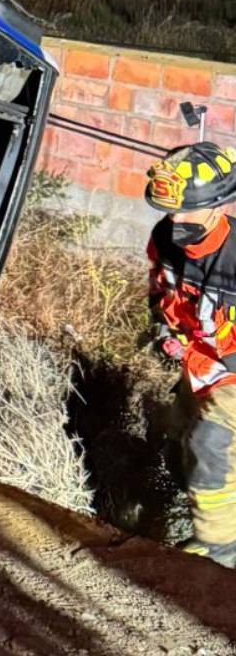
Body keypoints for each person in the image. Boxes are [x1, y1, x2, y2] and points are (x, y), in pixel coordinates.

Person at [144, 141, 236, 566]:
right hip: (198, 364)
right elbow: (160, 290)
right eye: (170, 210)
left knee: (209, 442)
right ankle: (201, 506)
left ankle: (221, 549)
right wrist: (164, 328)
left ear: (218, 206)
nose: (175, 220)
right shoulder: (164, 239)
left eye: (186, 211)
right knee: (180, 446)